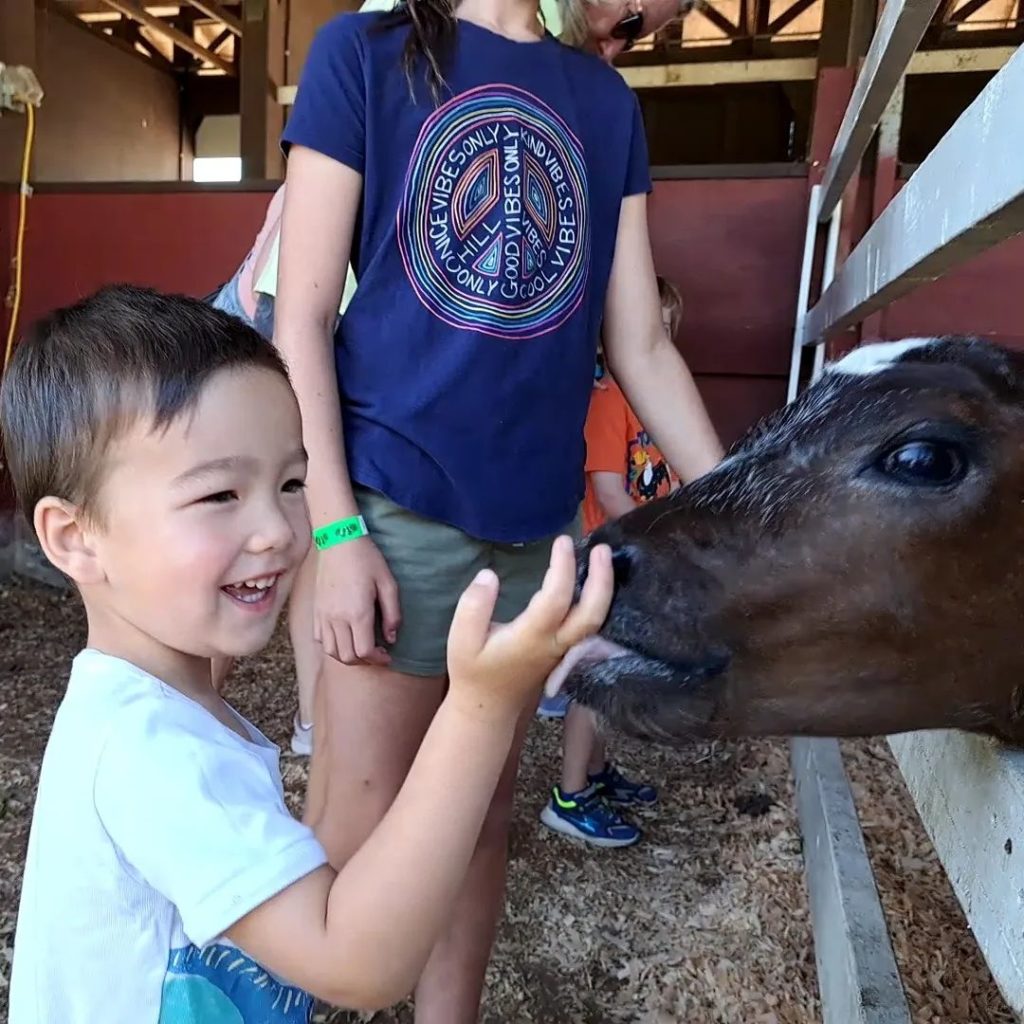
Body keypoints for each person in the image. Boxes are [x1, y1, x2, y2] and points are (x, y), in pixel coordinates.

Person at [273, 0, 725, 1019]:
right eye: (638, 12)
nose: (633, 29)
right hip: (395, 507)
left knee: (478, 816)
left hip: (534, 530)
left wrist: (739, 504)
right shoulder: (365, 53)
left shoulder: (603, 104)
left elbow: (640, 344)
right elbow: (297, 318)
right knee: (357, 821)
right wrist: (336, 530)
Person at [1, 284, 615, 1024]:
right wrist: (483, 705)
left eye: (293, 482)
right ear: (75, 538)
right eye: (220, 495)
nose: (279, 530)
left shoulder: (156, 708)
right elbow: (354, 964)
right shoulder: (147, 751)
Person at [540, 276, 684, 847]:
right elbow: (608, 487)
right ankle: (569, 795)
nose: (659, 342)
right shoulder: (606, 402)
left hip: (636, 555)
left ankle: (596, 775)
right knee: (595, 681)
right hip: (610, 558)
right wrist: (661, 536)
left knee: (615, 673)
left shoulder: (655, 400)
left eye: (667, 331)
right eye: (650, 330)